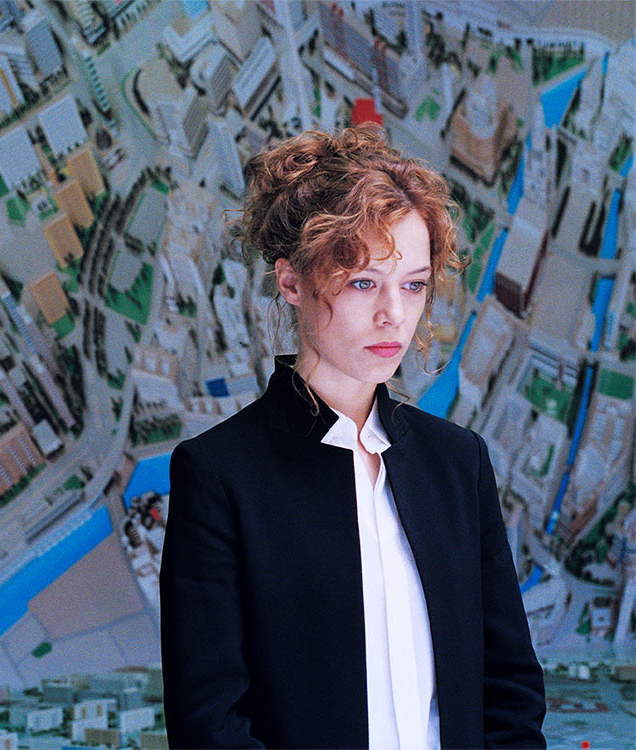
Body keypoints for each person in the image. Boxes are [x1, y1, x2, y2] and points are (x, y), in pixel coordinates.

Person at [158, 125, 545, 749]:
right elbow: (211, 728)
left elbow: (510, 690)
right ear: (291, 282)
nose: (394, 313)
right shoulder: (219, 476)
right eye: (364, 282)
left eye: (413, 284)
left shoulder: (457, 463)